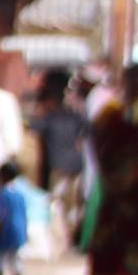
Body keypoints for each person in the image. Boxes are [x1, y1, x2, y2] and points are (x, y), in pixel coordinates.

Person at [89, 64, 138, 275]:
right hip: (119, 188)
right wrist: (107, 173)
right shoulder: (111, 112)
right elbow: (97, 142)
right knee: (121, 238)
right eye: (134, 79)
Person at [30, 72, 89, 252]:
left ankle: (64, 242)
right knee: (71, 207)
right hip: (74, 167)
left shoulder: (52, 117)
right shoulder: (73, 116)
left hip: (61, 168)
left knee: (59, 206)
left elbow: (33, 128)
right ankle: (68, 241)